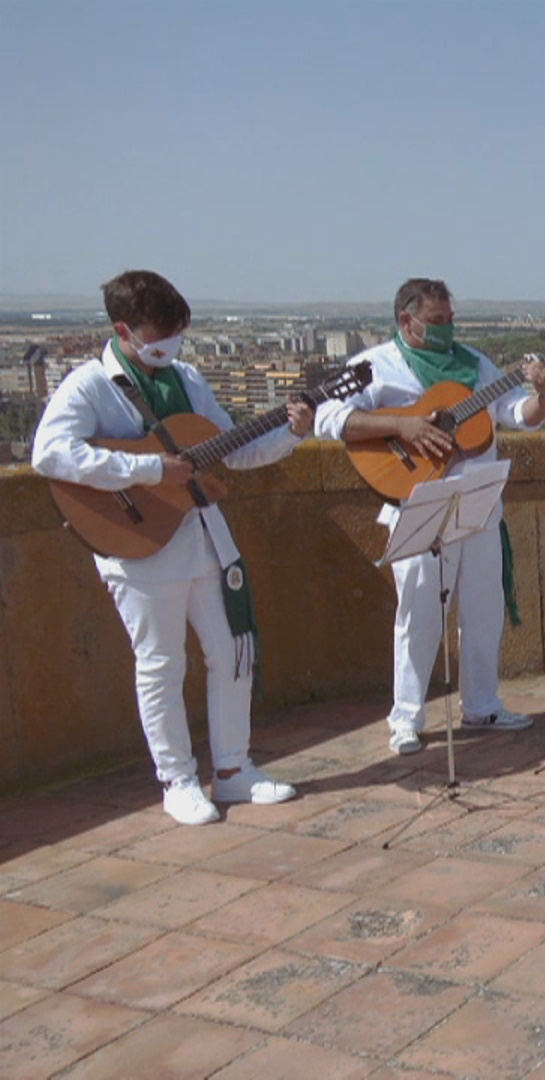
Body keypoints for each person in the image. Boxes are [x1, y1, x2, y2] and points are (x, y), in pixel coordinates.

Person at [33, 270, 304, 823]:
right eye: (161, 333)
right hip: (137, 542)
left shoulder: (188, 379)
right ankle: (177, 780)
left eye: (177, 332)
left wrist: (293, 432)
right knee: (161, 664)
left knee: (231, 653)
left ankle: (232, 770)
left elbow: (233, 448)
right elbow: (50, 454)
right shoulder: (89, 385)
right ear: (124, 330)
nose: (171, 344)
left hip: (203, 537)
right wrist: (150, 469)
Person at [316, 278, 545, 755]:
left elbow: (517, 412)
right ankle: (405, 718)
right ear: (407, 320)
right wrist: (400, 425)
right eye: (437, 321)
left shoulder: (475, 363)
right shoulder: (375, 365)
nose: (448, 329)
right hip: (419, 501)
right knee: (421, 613)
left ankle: (483, 703)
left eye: (451, 319)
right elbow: (328, 415)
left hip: (479, 500)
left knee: (484, 608)